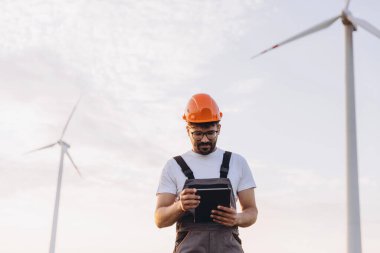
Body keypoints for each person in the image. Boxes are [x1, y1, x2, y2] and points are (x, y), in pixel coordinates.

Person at [155, 93, 258, 253]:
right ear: (187, 130)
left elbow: (252, 211)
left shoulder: (237, 162)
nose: (204, 140)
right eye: (197, 133)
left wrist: (237, 218)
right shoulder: (173, 166)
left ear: (219, 128)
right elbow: (159, 219)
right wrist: (180, 206)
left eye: (210, 133)